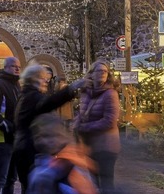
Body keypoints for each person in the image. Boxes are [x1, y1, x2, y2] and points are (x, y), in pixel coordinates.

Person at [13, 64, 82, 193]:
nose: (46, 81)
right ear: (33, 79)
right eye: (43, 78)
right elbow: (49, 103)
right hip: (29, 149)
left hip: (23, 148)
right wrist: (70, 89)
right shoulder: (32, 96)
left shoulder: (25, 95)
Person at [73, 59, 121, 194]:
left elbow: (109, 121)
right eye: (99, 70)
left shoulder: (111, 94)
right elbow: (82, 114)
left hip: (106, 145)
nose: (102, 73)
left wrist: (84, 127)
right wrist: (76, 123)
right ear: (91, 74)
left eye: (105, 71)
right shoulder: (85, 92)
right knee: (93, 183)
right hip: (90, 145)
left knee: (106, 183)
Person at [27, 113, 98, 194]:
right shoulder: (41, 171)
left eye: (52, 136)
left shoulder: (75, 165)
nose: (45, 141)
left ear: (65, 136)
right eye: (39, 137)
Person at [0, 56, 21, 194]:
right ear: (6, 67)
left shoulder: (16, 85)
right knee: (0, 179)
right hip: (1, 138)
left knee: (11, 179)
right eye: (14, 66)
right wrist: (10, 127)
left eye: (19, 66)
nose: (17, 68)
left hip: (15, 138)